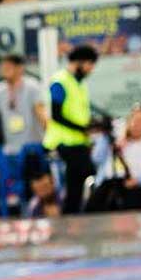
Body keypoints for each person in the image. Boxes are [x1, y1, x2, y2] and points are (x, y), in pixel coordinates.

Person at [43, 45, 98, 214]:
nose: (91, 69)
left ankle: (73, 216)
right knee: (80, 179)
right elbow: (56, 115)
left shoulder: (79, 83)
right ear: (79, 62)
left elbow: (79, 112)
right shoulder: (60, 81)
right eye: (90, 64)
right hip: (63, 141)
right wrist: (82, 128)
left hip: (78, 141)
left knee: (79, 183)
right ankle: (72, 217)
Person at [86, 104, 141, 212]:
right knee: (96, 204)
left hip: (139, 184)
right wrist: (105, 138)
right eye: (133, 119)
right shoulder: (120, 141)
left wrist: (138, 181)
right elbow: (96, 158)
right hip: (112, 183)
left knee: (129, 204)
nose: (136, 124)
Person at [0, 54, 46, 156]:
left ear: (20, 68)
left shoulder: (32, 86)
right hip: (10, 149)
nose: (4, 70)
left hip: (32, 146)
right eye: (2, 67)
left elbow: (41, 113)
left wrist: (52, 139)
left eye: (8, 67)